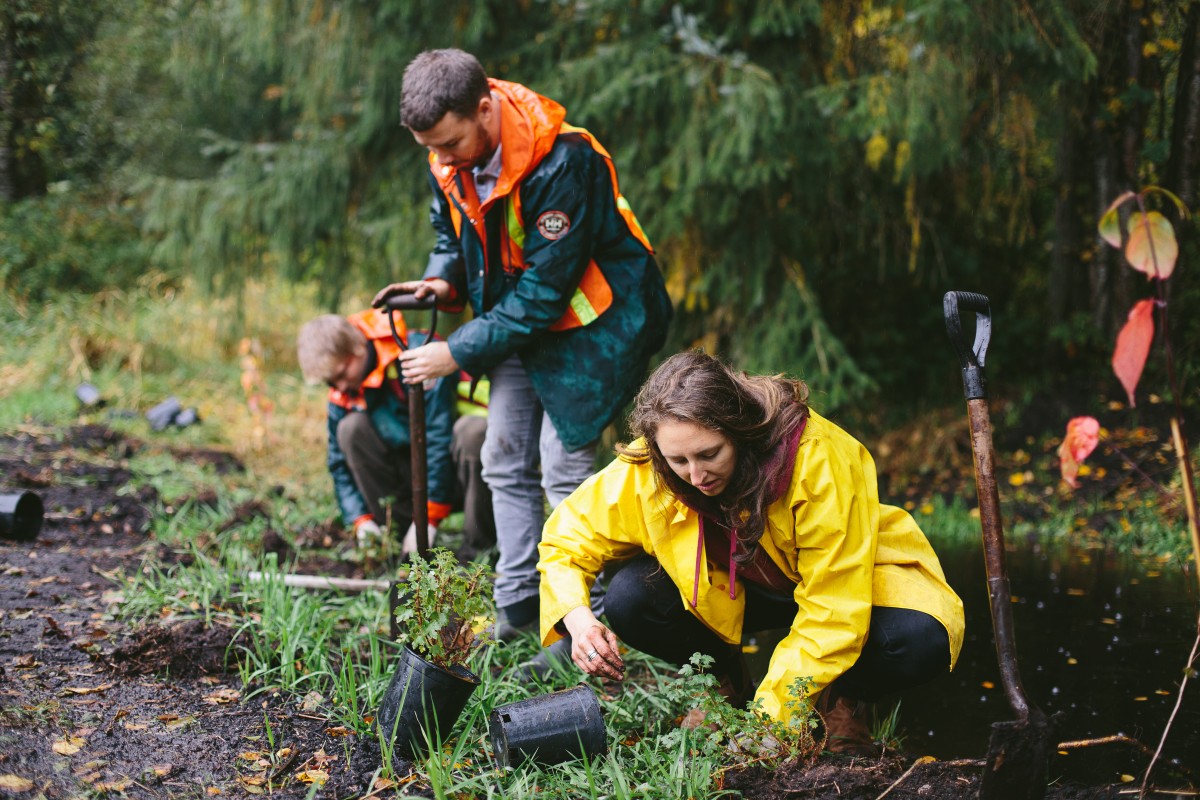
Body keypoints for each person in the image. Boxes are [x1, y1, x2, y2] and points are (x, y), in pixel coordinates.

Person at [372, 49, 672, 667]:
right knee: (502, 458)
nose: (443, 158)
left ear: (484, 109)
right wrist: (438, 283)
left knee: (563, 471)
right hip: (517, 323)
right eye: (432, 148)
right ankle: (516, 607)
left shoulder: (564, 159)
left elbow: (547, 290)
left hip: (594, 328)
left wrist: (453, 351)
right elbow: (450, 237)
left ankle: (575, 627)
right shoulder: (449, 156)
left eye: (451, 143)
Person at [537, 351, 966, 753]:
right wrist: (579, 619)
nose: (696, 475)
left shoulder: (817, 456)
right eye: (679, 461)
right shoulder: (653, 463)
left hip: (846, 581)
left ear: (739, 430)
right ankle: (724, 683)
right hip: (741, 588)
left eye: (710, 454)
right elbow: (565, 539)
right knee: (630, 596)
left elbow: (835, 605)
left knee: (918, 638)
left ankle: (843, 701)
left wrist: (768, 725)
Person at [296, 309, 494, 557]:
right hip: (407, 476)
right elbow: (338, 463)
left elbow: (437, 437)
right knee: (350, 429)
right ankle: (399, 541)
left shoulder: (420, 355)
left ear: (357, 348)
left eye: (342, 374)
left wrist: (429, 518)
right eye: (331, 382)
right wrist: (361, 520)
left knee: (473, 433)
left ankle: (478, 551)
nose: (341, 386)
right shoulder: (345, 392)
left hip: (455, 472)